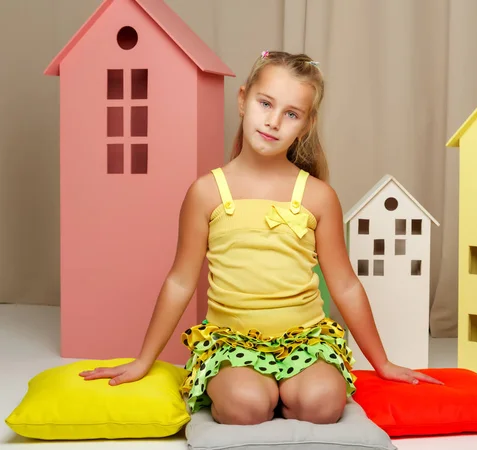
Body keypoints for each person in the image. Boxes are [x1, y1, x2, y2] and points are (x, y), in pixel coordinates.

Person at [79, 50, 442, 425]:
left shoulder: (318, 196)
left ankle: (293, 392)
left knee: (322, 405)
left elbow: (345, 285)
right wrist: (144, 360)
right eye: (265, 103)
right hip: (231, 343)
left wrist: (382, 363)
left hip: (305, 341)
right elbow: (181, 280)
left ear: (306, 124)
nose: (273, 122)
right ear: (243, 100)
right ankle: (256, 391)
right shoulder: (207, 192)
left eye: (291, 113)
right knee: (246, 406)